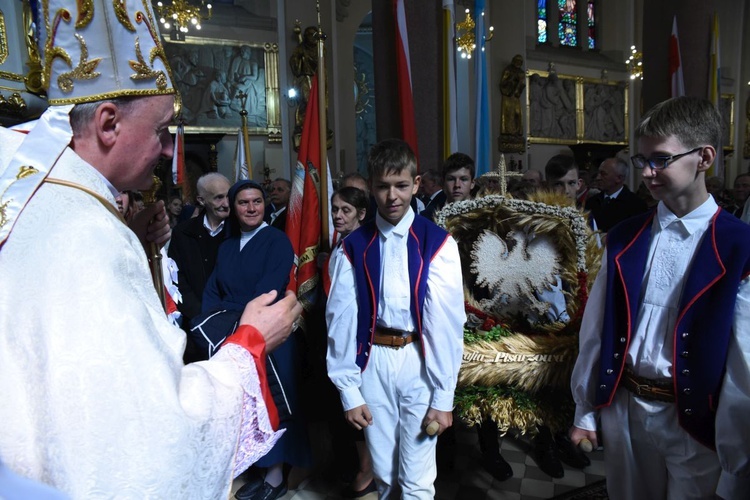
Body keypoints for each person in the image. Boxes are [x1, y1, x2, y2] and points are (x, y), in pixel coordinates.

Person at [0, 2, 301, 497]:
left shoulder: (41, 199)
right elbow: (145, 443)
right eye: (161, 132)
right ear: (108, 122)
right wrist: (249, 346)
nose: (168, 150)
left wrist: (137, 244)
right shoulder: (86, 237)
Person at [570, 96, 750, 499]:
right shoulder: (625, 236)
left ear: (704, 157)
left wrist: (738, 464)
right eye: (643, 160)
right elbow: (597, 330)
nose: (648, 172)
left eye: (661, 159)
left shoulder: (739, 246)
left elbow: (744, 367)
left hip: (695, 420)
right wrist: (585, 408)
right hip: (625, 407)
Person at [326, 139, 465, 498]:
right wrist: (349, 391)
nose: (392, 197)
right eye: (383, 187)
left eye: (401, 186)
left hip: (420, 361)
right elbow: (340, 323)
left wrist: (443, 397)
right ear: (371, 188)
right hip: (372, 362)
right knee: (386, 476)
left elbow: (446, 325)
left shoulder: (437, 244)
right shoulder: (352, 248)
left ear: (416, 184)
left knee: (418, 480)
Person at [192, 180, 310, 500]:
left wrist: (236, 317)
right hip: (236, 334)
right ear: (234, 207)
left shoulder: (277, 240)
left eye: (257, 201)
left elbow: (270, 290)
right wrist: (216, 322)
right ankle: (259, 469)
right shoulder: (227, 246)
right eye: (244, 203)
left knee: (273, 403)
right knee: (248, 405)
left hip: (270, 336)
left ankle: (275, 476)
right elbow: (212, 291)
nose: (252, 208)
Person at [325, 187, 377, 498]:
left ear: (361, 214)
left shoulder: (365, 248)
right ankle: (355, 463)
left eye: (345, 210)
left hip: (359, 343)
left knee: (363, 411)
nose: (337, 215)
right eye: (334, 209)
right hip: (337, 340)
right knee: (342, 412)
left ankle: (368, 469)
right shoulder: (339, 246)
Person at [168, 172, 231, 360]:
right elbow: (176, 278)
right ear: (201, 200)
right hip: (195, 325)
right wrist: (200, 315)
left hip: (233, 323)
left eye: (229, 195)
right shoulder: (183, 233)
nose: (226, 203)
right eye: (219, 197)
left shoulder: (240, 231)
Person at [585, 157, 648, 232]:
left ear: (619, 178)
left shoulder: (636, 205)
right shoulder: (591, 202)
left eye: (603, 174)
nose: (598, 178)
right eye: (598, 173)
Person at [422, 152, 474, 221]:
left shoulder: (485, 214)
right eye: (451, 179)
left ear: (472, 183)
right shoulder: (427, 216)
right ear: (443, 183)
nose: (457, 185)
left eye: (463, 179)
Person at [499, 54, 525, 137]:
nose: (518, 63)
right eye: (517, 61)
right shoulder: (508, 70)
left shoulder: (521, 72)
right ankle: (508, 132)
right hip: (508, 95)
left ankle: (516, 132)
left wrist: (520, 83)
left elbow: (521, 84)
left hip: (516, 96)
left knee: (516, 113)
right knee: (508, 114)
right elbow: (503, 83)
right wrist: (512, 80)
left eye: (520, 62)